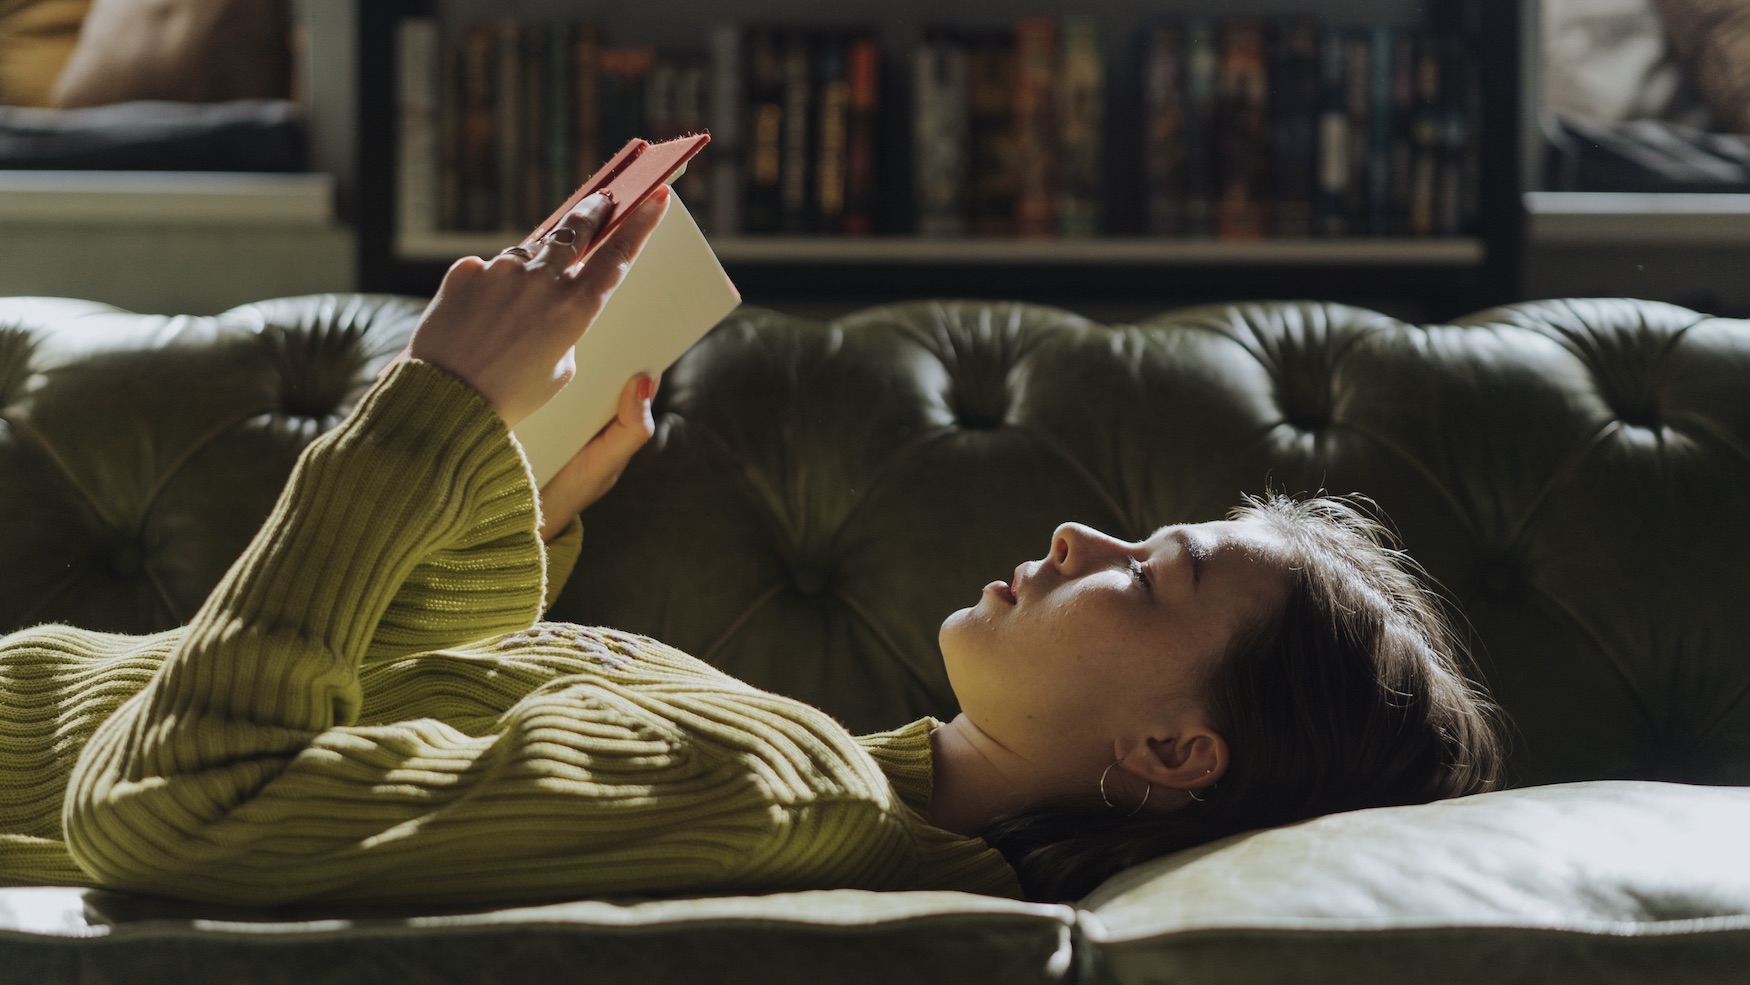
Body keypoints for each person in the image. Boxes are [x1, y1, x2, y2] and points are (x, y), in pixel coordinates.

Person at [0, 185, 1504, 906]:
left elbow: (174, 803)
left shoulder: (770, 793)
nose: (1074, 530)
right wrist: (504, 507)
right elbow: (365, 731)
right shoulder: (816, 765)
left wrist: (426, 415)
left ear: (1176, 754)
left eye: (1145, 572)